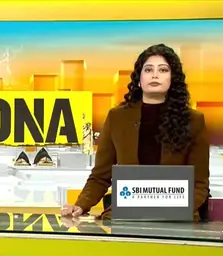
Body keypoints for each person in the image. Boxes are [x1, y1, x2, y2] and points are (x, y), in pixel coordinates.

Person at [61, 43, 209, 221]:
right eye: (148, 70)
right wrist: (81, 205)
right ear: (139, 77)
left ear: (173, 78)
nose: (155, 75)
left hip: (175, 219)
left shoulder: (194, 121)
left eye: (163, 70)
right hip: (126, 217)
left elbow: (199, 184)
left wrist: (170, 211)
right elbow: (100, 176)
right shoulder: (117, 118)